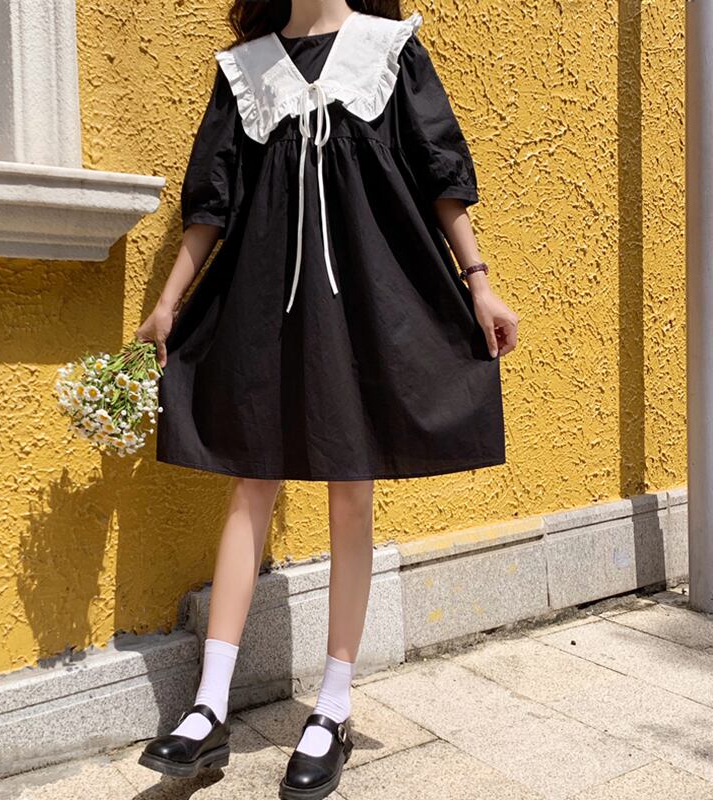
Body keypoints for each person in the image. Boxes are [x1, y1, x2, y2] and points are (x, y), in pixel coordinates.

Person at [135, 0, 518, 797]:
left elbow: (440, 175)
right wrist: (168, 303)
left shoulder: (390, 51)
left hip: (366, 300)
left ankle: (333, 707)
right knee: (251, 480)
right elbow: (211, 204)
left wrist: (479, 283)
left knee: (351, 485)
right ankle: (207, 708)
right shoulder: (246, 70)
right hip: (262, 301)